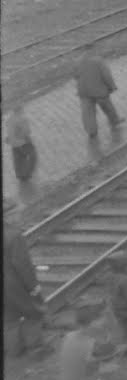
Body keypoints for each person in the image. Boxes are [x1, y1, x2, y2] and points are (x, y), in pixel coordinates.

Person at [3, 202, 47, 359]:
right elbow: (22, 264)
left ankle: (14, 351)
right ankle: (36, 349)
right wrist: (33, 286)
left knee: (9, 318)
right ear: (7, 216)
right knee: (32, 313)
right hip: (14, 285)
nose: (18, 215)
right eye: (15, 213)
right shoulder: (14, 236)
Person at [74, 46, 124, 139]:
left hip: (84, 92)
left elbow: (76, 76)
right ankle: (114, 121)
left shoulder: (78, 61)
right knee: (108, 107)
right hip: (99, 90)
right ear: (93, 50)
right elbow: (106, 75)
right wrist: (112, 87)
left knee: (88, 113)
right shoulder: (98, 61)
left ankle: (91, 131)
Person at [5, 102, 37, 184]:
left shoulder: (9, 120)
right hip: (24, 143)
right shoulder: (23, 119)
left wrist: (10, 139)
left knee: (18, 160)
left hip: (14, 145)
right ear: (20, 110)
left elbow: (9, 135)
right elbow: (27, 131)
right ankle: (27, 174)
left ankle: (20, 176)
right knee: (33, 156)